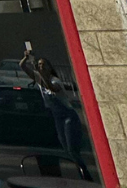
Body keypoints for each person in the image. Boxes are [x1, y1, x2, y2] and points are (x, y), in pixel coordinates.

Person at [21, 42, 90, 178]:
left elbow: (52, 88)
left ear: (49, 68)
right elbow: (22, 67)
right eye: (39, 64)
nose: (41, 67)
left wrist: (41, 75)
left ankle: (86, 175)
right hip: (57, 118)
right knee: (66, 150)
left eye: (43, 65)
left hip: (68, 117)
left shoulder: (55, 80)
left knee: (72, 150)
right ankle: (81, 174)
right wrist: (26, 57)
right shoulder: (40, 80)